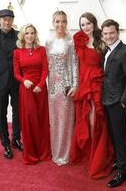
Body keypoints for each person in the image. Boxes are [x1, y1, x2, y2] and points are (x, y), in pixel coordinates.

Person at [70, 12, 114, 179]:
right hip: (82, 84)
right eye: (82, 24)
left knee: (95, 120)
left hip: (96, 84)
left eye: (88, 23)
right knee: (84, 120)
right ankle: (89, 151)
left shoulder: (102, 41)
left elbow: (107, 65)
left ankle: (99, 154)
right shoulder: (78, 41)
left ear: (94, 24)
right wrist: (75, 84)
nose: (85, 27)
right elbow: (75, 64)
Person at [101, 19, 126, 188]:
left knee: (119, 135)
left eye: (112, 33)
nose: (109, 36)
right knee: (112, 134)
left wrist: (123, 102)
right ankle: (119, 160)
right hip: (107, 100)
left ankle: (123, 172)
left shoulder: (125, 52)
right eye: (106, 33)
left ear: (118, 32)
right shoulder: (107, 50)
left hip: (118, 102)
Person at [13, 24, 51, 164]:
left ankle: (43, 152)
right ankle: (31, 154)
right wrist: (24, 81)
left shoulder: (42, 50)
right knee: (29, 121)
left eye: (32, 33)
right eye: (27, 33)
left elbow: (45, 70)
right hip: (26, 90)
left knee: (41, 120)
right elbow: (16, 73)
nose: (29, 35)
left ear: (35, 34)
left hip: (40, 90)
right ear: (23, 35)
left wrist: (40, 85)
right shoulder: (17, 52)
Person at [0, 9, 22, 159]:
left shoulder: (20, 35)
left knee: (17, 112)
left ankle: (16, 138)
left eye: (10, 19)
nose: (7, 22)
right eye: (4, 19)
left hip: (17, 80)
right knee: (1, 113)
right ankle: (5, 143)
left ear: (12, 20)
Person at [45, 11, 78, 166]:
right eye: (57, 21)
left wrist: (75, 85)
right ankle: (55, 151)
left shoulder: (71, 42)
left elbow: (74, 65)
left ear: (66, 22)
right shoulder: (48, 42)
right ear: (53, 22)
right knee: (54, 119)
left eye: (63, 21)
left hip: (66, 86)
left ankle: (65, 153)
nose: (60, 24)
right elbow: (46, 65)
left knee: (66, 120)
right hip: (52, 86)